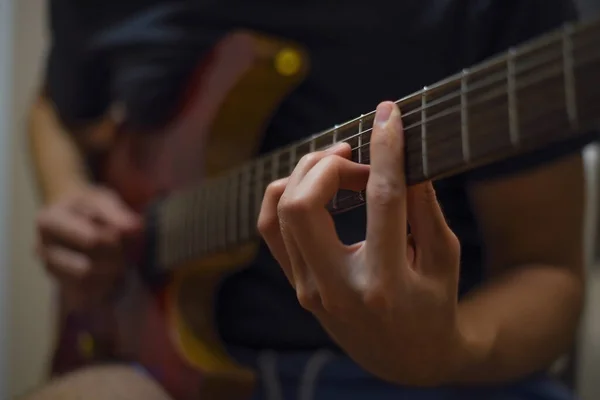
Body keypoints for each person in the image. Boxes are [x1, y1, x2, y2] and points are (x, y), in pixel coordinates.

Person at [23, 0, 591, 399]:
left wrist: (448, 350)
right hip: (155, 366)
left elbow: (545, 268)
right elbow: (53, 108)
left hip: (443, 380)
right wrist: (69, 192)